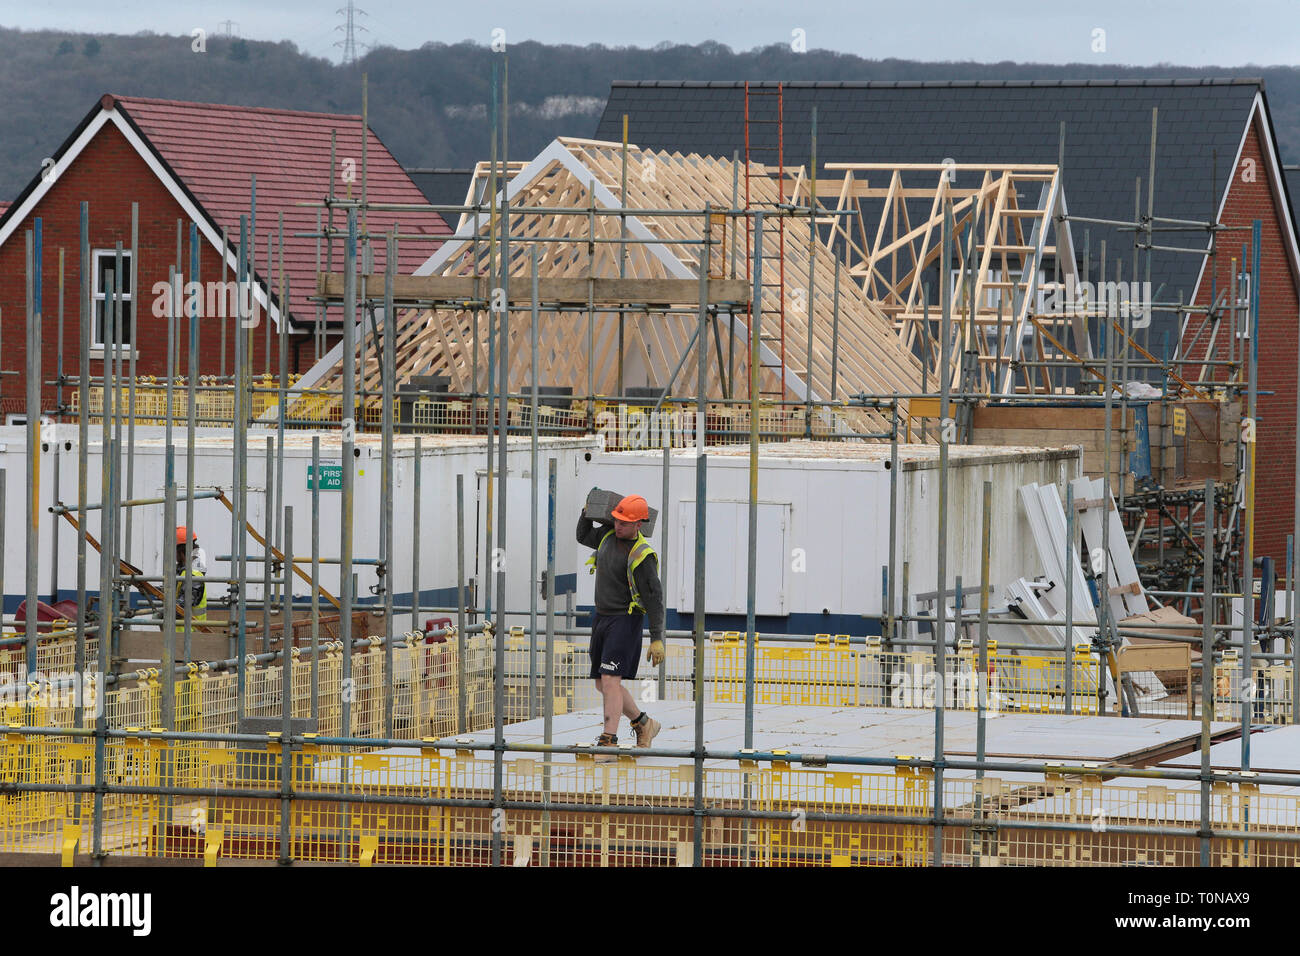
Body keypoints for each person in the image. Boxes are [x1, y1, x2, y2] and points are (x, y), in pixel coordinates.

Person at [576, 492, 664, 757]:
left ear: (639, 525)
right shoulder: (605, 536)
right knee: (602, 684)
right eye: (616, 520)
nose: (618, 526)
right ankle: (644, 724)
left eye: (625, 523)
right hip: (601, 617)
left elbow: (654, 598)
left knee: (610, 679)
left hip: (625, 620)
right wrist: (586, 510)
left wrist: (657, 637)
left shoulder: (642, 555)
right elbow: (582, 536)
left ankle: (608, 739)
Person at [175, 526, 208, 622]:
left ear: (181, 553)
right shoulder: (182, 571)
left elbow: (181, 608)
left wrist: (161, 613)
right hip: (179, 634)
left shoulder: (193, 576)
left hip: (190, 634)